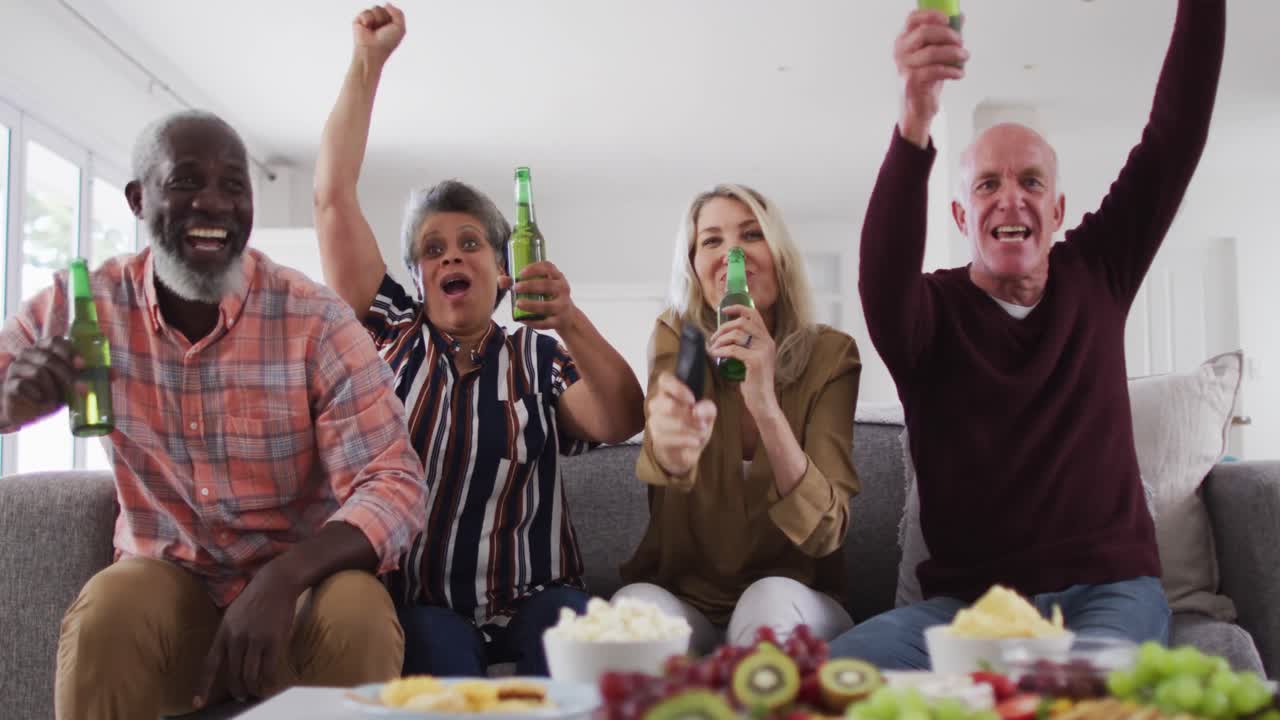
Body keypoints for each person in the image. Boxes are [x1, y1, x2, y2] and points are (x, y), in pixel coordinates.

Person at [830, 0, 1225, 669]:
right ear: (962, 216)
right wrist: (915, 119)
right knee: (833, 678)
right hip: (968, 609)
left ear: (1057, 209)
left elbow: (1174, 136)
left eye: (1031, 182)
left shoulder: (1099, 272)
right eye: (988, 184)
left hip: (1109, 592)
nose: (1010, 197)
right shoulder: (928, 318)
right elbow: (882, 274)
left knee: (1078, 692)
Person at [0, 110, 427, 718]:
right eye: (185, 182)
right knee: (108, 610)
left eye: (233, 186)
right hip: (165, 587)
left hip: (300, 597)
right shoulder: (87, 305)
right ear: (138, 200)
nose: (213, 203)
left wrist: (282, 579)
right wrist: (10, 405)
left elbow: (394, 482)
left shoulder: (314, 318)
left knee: (358, 612)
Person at [313, 3, 646, 676]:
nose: (450, 256)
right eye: (432, 249)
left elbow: (621, 419)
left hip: (540, 598)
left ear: (502, 271)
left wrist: (569, 319)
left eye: (470, 243)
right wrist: (367, 62)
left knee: (578, 644)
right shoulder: (388, 329)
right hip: (424, 605)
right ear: (416, 276)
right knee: (436, 652)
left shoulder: (540, 355)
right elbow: (332, 198)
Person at [614, 184, 862, 654]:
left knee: (767, 602)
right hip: (687, 603)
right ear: (694, 268)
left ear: (780, 255)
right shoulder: (677, 336)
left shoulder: (831, 355)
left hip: (796, 599)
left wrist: (765, 403)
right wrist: (670, 444)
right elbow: (664, 452)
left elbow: (825, 531)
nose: (733, 253)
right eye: (712, 240)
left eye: (751, 234)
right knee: (633, 609)